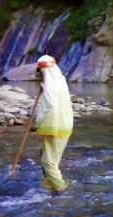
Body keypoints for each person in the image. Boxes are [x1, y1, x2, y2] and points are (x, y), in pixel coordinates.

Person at [34, 55, 73, 192]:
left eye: (40, 73)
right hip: (65, 123)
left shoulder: (50, 86)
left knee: (48, 162)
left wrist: (41, 125)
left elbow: (52, 108)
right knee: (45, 154)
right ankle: (50, 185)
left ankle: (60, 189)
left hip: (57, 125)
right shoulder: (60, 80)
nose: (39, 75)